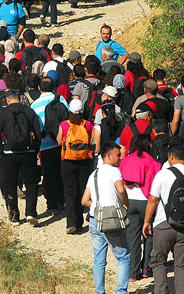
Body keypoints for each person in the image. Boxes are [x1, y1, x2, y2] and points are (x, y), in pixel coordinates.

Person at [143, 140, 184, 294]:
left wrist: (146, 221)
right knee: (183, 265)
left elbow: (153, 199)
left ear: (171, 157)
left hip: (163, 224)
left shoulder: (162, 174)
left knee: (159, 262)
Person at [81, 142, 130, 294]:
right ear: (108, 156)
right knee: (123, 257)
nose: (120, 157)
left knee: (99, 259)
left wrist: (97, 205)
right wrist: (125, 204)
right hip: (111, 220)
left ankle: (100, 292)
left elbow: (84, 201)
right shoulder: (114, 171)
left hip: (95, 219)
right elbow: (121, 190)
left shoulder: (94, 174)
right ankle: (120, 291)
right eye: (118, 155)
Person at [0, 89, 42, 226]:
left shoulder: (3, 112)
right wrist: (35, 149)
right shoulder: (29, 111)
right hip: (28, 153)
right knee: (31, 184)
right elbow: (37, 132)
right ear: (20, 99)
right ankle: (31, 213)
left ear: (7, 100)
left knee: (10, 185)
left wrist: (0, 152)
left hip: (9, 154)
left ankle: (14, 217)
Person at [119, 134, 161, 282]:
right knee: (148, 233)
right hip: (146, 202)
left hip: (129, 201)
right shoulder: (153, 162)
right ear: (148, 145)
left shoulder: (126, 160)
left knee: (133, 236)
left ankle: (132, 272)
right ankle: (146, 268)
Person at [30, 77, 69, 212]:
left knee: (49, 175)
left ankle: (52, 204)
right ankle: (63, 200)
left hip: (45, 145)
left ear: (39, 88)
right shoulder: (60, 99)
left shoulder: (34, 105)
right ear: (53, 87)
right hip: (62, 143)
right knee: (62, 173)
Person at [57, 99, 94, 234]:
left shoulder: (64, 125)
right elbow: (91, 141)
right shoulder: (88, 125)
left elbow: (59, 141)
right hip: (84, 161)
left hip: (67, 162)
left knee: (70, 191)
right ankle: (79, 222)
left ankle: (71, 223)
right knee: (81, 191)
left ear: (69, 111)